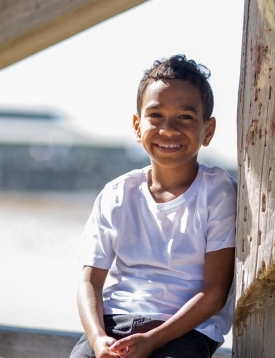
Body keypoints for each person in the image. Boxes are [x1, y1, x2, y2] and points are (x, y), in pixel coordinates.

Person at [70, 55, 237, 358]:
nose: (168, 129)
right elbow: (89, 282)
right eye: (156, 115)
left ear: (208, 130)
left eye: (185, 117)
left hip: (185, 329)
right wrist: (97, 340)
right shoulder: (117, 195)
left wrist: (152, 340)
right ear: (137, 125)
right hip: (114, 322)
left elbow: (215, 292)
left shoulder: (218, 193)